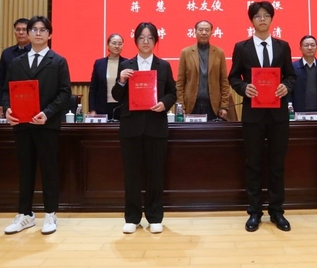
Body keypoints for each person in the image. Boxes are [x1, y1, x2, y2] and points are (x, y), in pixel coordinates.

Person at [228, 1, 296, 232]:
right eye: (258, 16)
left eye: (266, 15)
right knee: (254, 164)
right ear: (252, 20)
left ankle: (277, 211)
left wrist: (286, 86)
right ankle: (254, 212)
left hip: (278, 115)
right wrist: (243, 87)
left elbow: (291, 76)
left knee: (277, 164)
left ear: (272, 19)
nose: (262, 19)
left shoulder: (282, 46)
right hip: (253, 116)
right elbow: (233, 77)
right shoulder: (242, 47)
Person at [2, 16, 72, 235]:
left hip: (46, 125)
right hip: (22, 124)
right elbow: (6, 90)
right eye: (34, 29)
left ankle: (50, 214)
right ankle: (25, 214)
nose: (38, 33)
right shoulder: (16, 62)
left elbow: (64, 93)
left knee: (49, 170)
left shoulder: (58, 61)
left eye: (43, 30)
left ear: (50, 34)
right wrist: (8, 109)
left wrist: (47, 113)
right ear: (28, 34)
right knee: (25, 170)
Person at [112, 22, 177, 234]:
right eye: (142, 37)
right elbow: (116, 96)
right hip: (131, 127)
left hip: (156, 127)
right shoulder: (126, 65)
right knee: (131, 174)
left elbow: (173, 92)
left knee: (155, 173)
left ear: (155, 40)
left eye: (150, 37)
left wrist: (164, 103)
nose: (146, 41)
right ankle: (132, 218)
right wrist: (121, 81)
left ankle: (155, 217)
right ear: (136, 41)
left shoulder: (163, 66)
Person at [176, 20, 231, 121]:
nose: (204, 33)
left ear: (211, 33)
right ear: (195, 32)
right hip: (191, 105)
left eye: (207, 30)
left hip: (213, 105)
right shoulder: (186, 52)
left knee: (212, 131)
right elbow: (180, 82)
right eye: (201, 30)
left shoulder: (219, 53)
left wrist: (224, 106)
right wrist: (181, 105)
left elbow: (224, 82)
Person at [0, 18, 31, 118]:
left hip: (31, 98)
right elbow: (0, 79)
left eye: (24, 29)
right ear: (14, 32)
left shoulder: (36, 52)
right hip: (10, 100)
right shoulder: (7, 53)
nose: (21, 32)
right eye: (18, 29)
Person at [290, 35, 317, 118]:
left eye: (312, 45)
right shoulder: (293, 67)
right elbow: (289, 92)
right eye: (306, 45)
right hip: (298, 113)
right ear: (300, 48)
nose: (310, 48)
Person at [89, 33, 127, 118]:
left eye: (120, 44)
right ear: (107, 45)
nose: (117, 46)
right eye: (114, 43)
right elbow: (93, 88)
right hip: (102, 107)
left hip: (121, 107)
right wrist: (92, 109)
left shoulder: (127, 63)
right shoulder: (99, 63)